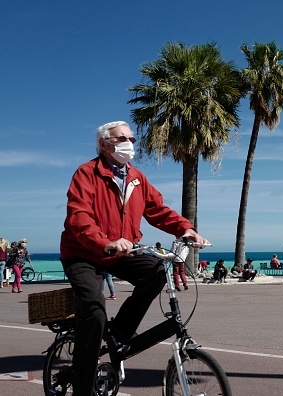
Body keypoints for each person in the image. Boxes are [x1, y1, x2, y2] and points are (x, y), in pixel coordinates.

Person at [60, 120, 208, 396]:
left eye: (131, 138)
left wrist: (185, 229)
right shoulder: (86, 173)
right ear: (104, 144)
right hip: (83, 252)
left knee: (155, 272)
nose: (128, 143)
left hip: (120, 251)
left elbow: (157, 210)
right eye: (120, 138)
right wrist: (105, 243)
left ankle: (119, 334)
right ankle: (83, 389)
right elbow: (79, 217)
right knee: (93, 311)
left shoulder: (136, 177)